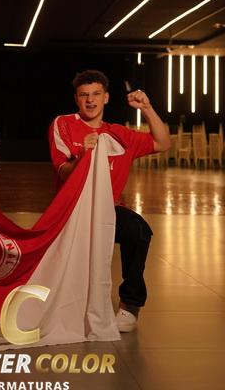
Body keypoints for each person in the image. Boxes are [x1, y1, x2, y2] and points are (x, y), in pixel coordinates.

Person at [48, 69, 170, 333]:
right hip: (73, 210)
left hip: (107, 210)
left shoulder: (119, 134)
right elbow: (63, 172)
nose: (90, 100)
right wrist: (84, 154)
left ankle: (130, 305)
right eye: (84, 95)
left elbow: (162, 143)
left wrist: (147, 108)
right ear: (76, 99)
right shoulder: (63, 124)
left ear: (106, 98)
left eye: (96, 94)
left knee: (138, 230)